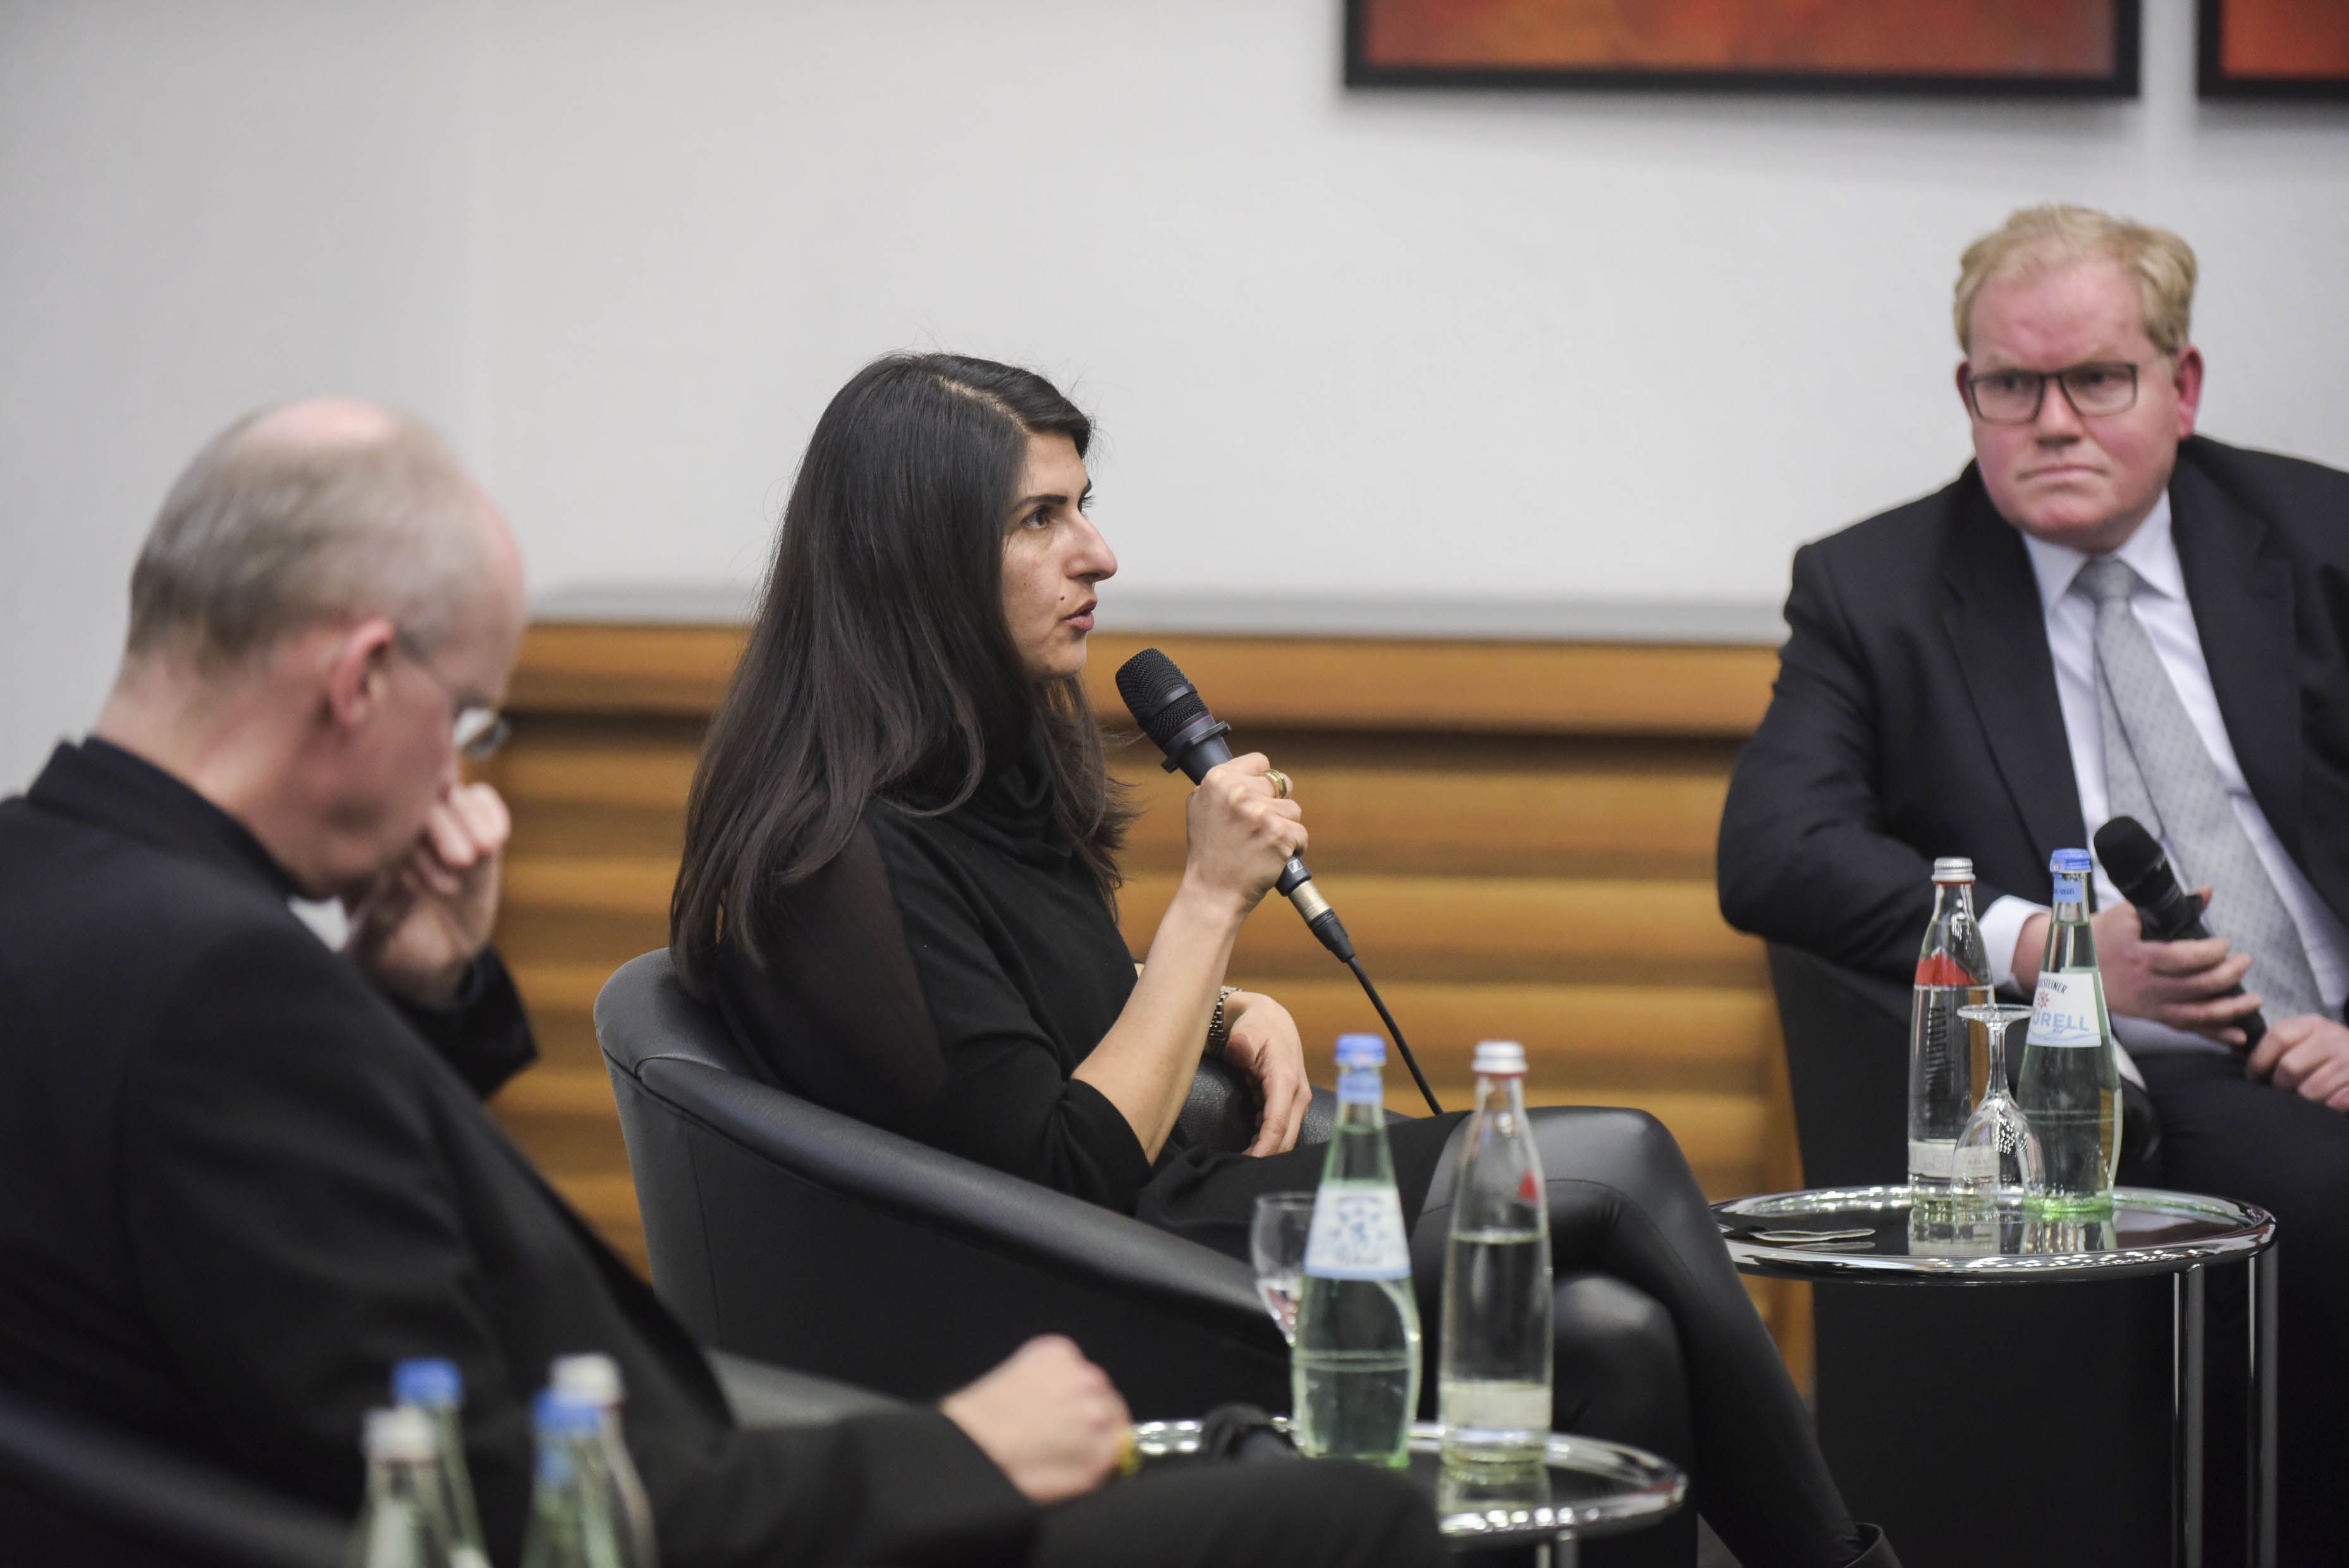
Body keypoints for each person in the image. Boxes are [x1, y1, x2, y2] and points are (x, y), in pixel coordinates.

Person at [0, 398, 1444, 1568]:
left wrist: (407, 1006)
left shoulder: (52, 889)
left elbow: (265, 1271)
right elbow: (486, 1499)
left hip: (684, 1470)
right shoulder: (223, 994)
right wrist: (956, 1452)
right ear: (360, 679)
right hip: (693, 1524)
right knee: (1350, 1523)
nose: (461, 776)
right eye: (473, 720)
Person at [672, 353, 1898, 1568]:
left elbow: (1002, 1029)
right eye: (1039, 519)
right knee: (1618, 1161)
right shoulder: (830, 855)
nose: (1098, 554)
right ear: (916, 557)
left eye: (1084, 505)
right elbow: (1055, 1171)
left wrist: (1208, 1009)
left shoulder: (962, 768)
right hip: (1084, 1286)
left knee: (1610, 1334)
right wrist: (1209, 903)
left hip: (1149, 1218)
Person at [1717, 204, 2349, 1557]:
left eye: (2097, 379)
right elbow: (1772, 847)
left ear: (2181, 386)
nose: (2053, 422)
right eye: (2012, 385)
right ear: (1970, 395)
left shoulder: (2319, 536)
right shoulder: (1877, 590)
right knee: (2321, 1190)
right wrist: (2048, 951)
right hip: (2131, 1087)